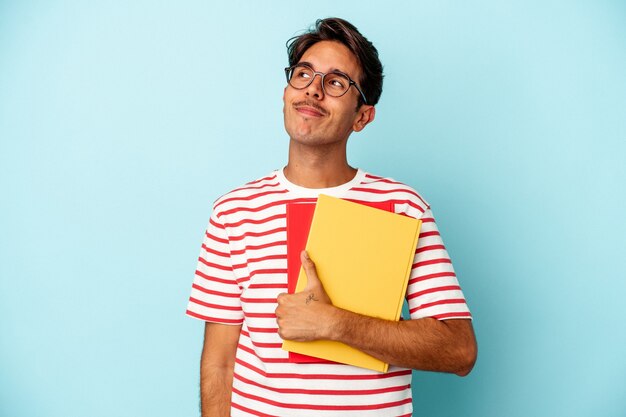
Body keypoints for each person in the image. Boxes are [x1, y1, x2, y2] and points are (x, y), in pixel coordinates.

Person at [186, 17, 477, 417]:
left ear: (362, 116)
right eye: (303, 74)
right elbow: (218, 364)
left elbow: (459, 350)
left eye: (337, 82)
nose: (313, 90)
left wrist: (334, 324)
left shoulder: (404, 206)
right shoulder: (233, 212)